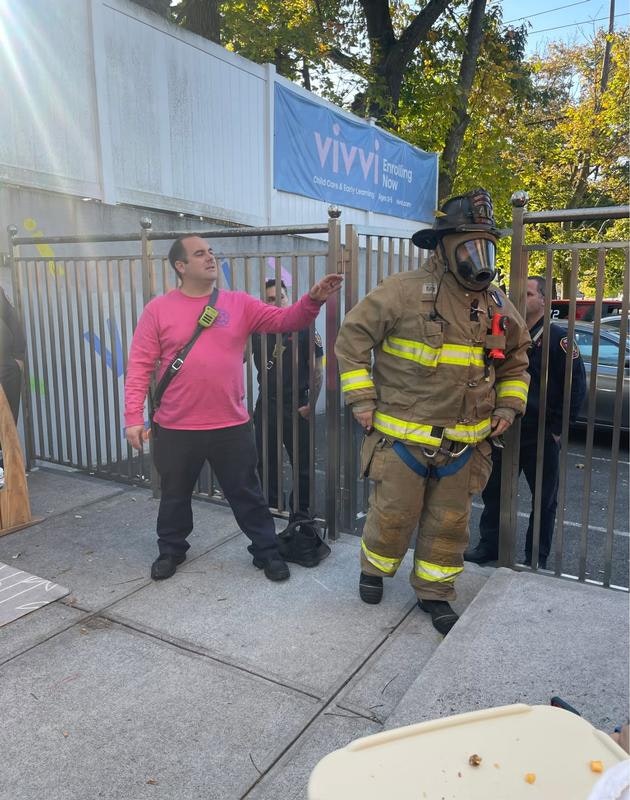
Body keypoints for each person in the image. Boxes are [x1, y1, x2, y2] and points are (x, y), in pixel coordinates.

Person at [334, 188, 530, 635]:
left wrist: (509, 403)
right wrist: (361, 398)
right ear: (443, 247)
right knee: (392, 515)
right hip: (403, 439)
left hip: (466, 442)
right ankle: (373, 571)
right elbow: (352, 340)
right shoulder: (401, 292)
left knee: (450, 526)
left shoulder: (497, 304)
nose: (479, 257)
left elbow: (518, 359)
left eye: (486, 245)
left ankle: (434, 593)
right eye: (469, 245)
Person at [124, 235, 342, 582]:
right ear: (180, 266)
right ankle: (171, 549)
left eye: (210, 252)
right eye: (199, 254)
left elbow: (286, 320)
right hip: (176, 427)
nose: (210, 258)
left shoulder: (238, 304)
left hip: (231, 426)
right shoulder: (158, 310)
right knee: (174, 496)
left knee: (248, 495)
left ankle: (267, 552)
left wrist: (313, 300)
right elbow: (139, 366)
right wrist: (132, 417)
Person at [465, 275, 587, 569]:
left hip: (540, 435)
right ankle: (489, 547)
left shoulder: (559, 339)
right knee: (495, 493)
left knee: (543, 501)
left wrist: (557, 429)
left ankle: (536, 558)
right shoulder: (504, 333)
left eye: (529, 293)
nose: (522, 297)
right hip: (504, 430)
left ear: (544, 300)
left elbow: (576, 387)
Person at [251, 279, 323, 519]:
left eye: (279, 297)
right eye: (269, 299)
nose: (275, 302)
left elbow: (317, 369)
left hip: (295, 404)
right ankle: (272, 505)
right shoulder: (259, 328)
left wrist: (311, 404)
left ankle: (301, 512)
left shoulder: (305, 327)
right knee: (265, 460)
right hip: (267, 403)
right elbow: (239, 356)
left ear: (288, 297)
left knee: (302, 463)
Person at [0, 287, 26, 487]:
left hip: (5, 367)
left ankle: (9, 476)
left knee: (8, 423)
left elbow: (12, 321)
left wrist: (17, 357)